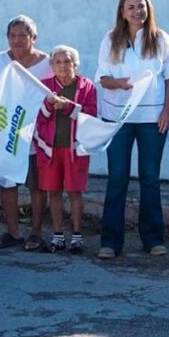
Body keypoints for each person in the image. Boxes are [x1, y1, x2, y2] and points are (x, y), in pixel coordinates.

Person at [96, 0, 169, 259]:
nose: (137, 11)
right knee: (117, 179)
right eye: (131, 7)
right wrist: (118, 84)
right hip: (118, 118)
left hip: (151, 120)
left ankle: (153, 239)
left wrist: (167, 111)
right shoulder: (111, 39)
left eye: (141, 6)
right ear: (122, 12)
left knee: (150, 179)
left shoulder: (161, 39)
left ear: (149, 9)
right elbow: (102, 78)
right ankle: (110, 242)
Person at [0, 15, 54, 251]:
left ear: (34, 38)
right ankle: (13, 232)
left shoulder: (47, 62)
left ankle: (35, 233)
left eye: (23, 35)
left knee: (37, 185)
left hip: (37, 134)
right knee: (7, 184)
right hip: (7, 133)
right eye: (12, 36)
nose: (17, 40)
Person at [33, 45, 97, 254]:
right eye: (58, 62)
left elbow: (91, 116)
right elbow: (37, 118)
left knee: (75, 192)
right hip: (49, 149)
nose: (63, 66)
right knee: (54, 192)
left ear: (76, 64)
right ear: (51, 65)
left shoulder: (87, 87)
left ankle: (77, 236)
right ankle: (58, 235)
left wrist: (67, 106)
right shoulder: (44, 87)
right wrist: (50, 105)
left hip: (75, 149)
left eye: (67, 61)